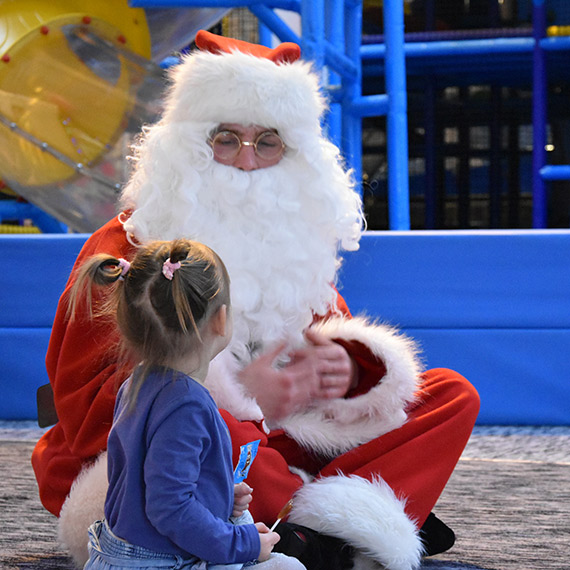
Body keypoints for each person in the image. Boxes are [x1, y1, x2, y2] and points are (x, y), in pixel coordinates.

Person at [32, 30, 480, 570]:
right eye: (226, 138)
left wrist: (342, 371)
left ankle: (319, 526)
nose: (247, 162)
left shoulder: (294, 248)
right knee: (206, 418)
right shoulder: (126, 247)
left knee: (452, 395)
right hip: (153, 458)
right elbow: (89, 405)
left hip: (279, 440)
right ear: (190, 146)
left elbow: (328, 349)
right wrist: (235, 397)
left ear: (293, 155)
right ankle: (344, 521)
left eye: (267, 142)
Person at [69, 238, 305, 570]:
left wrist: (218, 494)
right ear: (221, 320)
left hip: (120, 551)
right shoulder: (187, 406)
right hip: (160, 561)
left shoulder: (137, 384)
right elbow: (169, 508)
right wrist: (246, 543)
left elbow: (145, 478)